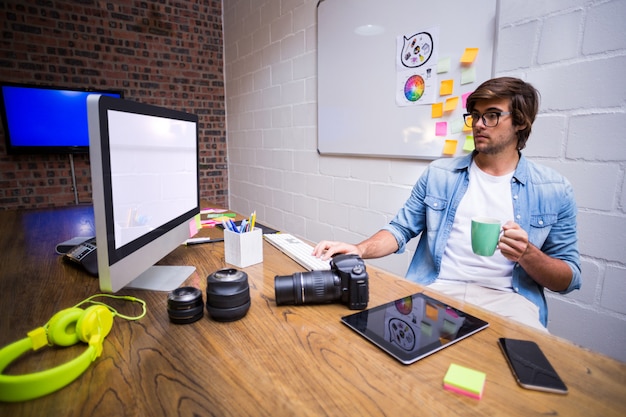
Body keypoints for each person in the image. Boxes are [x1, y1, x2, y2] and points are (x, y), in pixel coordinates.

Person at [313, 77, 581, 331]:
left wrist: (528, 254)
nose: (478, 124)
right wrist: (358, 249)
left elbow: (568, 278)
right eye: (475, 115)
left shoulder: (554, 190)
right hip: (437, 290)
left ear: (521, 122)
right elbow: (400, 229)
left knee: (522, 373)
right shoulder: (439, 174)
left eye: (492, 115)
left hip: (511, 302)